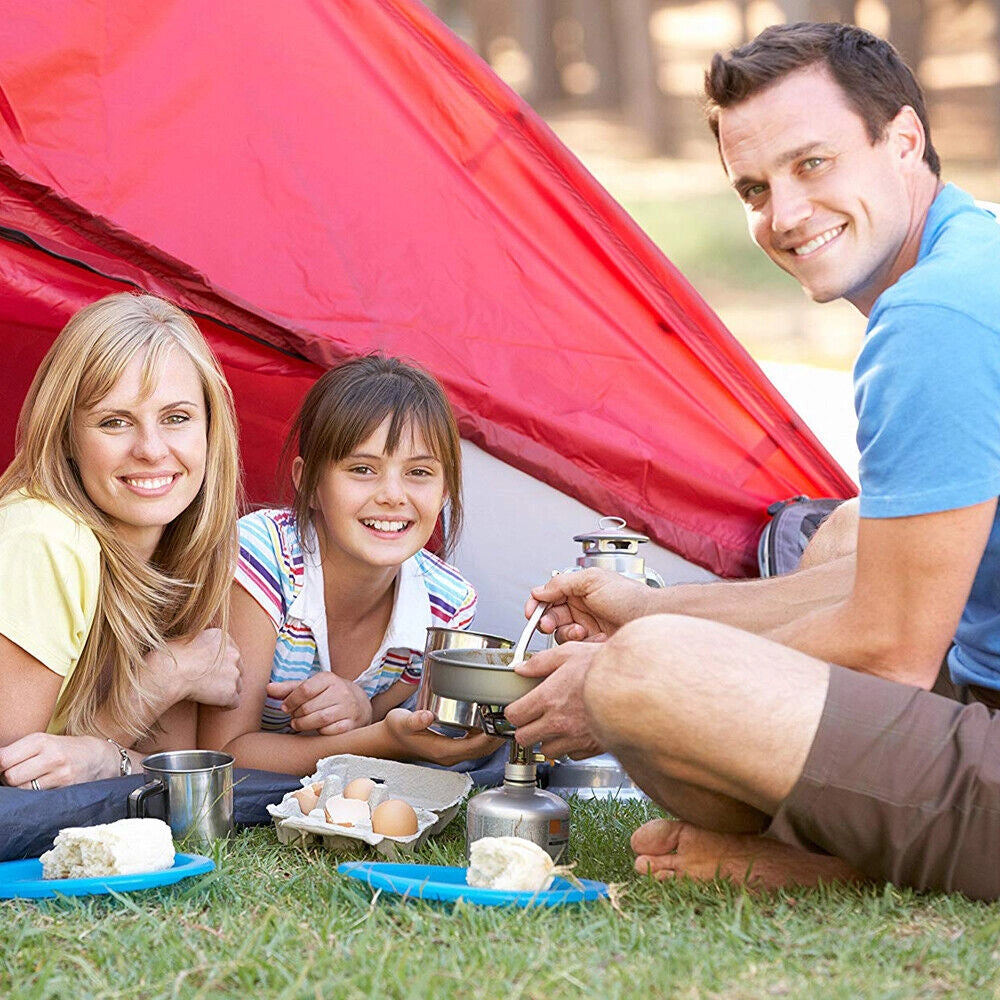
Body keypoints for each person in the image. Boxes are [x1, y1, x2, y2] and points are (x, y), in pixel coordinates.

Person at [504, 22, 1000, 899]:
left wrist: (611, 680)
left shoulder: (936, 318)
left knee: (644, 679)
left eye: (813, 164)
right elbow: (900, 590)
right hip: (978, 687)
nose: (786, 214)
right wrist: (654, 608)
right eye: (756, 187)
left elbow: (892, 649)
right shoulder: (974, 254)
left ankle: (834, 869)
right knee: (849, 533)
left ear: (904, 140)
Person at [199, 355, 500, 773]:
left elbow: (394, 723)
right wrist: (381, 740)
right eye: (362, 469)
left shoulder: (447, 605)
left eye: (419, 472)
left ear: (445, 487)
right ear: (307, 482)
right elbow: (223, 757)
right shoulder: (263, 554)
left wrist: (366, 712)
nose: (393, 495)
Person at [0, 293, 243, 788]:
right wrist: (165, 679)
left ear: (210, 428)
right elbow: (18, 780)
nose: (151, 450)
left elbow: (170, 761)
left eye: (176, 417)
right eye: (115, 421)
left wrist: (106, 756)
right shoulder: (44, 537)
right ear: (66, 435)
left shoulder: (174, 546)